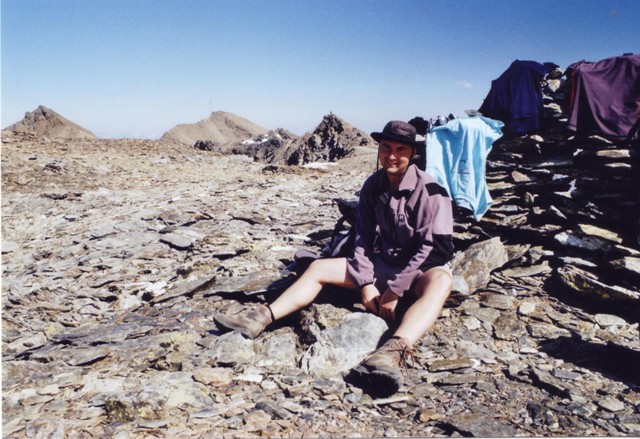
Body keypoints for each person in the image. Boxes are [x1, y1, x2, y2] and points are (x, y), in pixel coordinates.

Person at [213, 120, 454, 396]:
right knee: (318, 268)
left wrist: (396, 289)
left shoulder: (431, 192)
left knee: (441, 281)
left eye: (400, 149)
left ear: (412, 154)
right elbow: (361, 237)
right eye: (386, 147)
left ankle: (392, 352)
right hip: (384, 263)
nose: (391, 155)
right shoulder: (373, 185)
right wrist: (365, 282)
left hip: (420, 269)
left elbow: (435, 248)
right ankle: (259, 318)